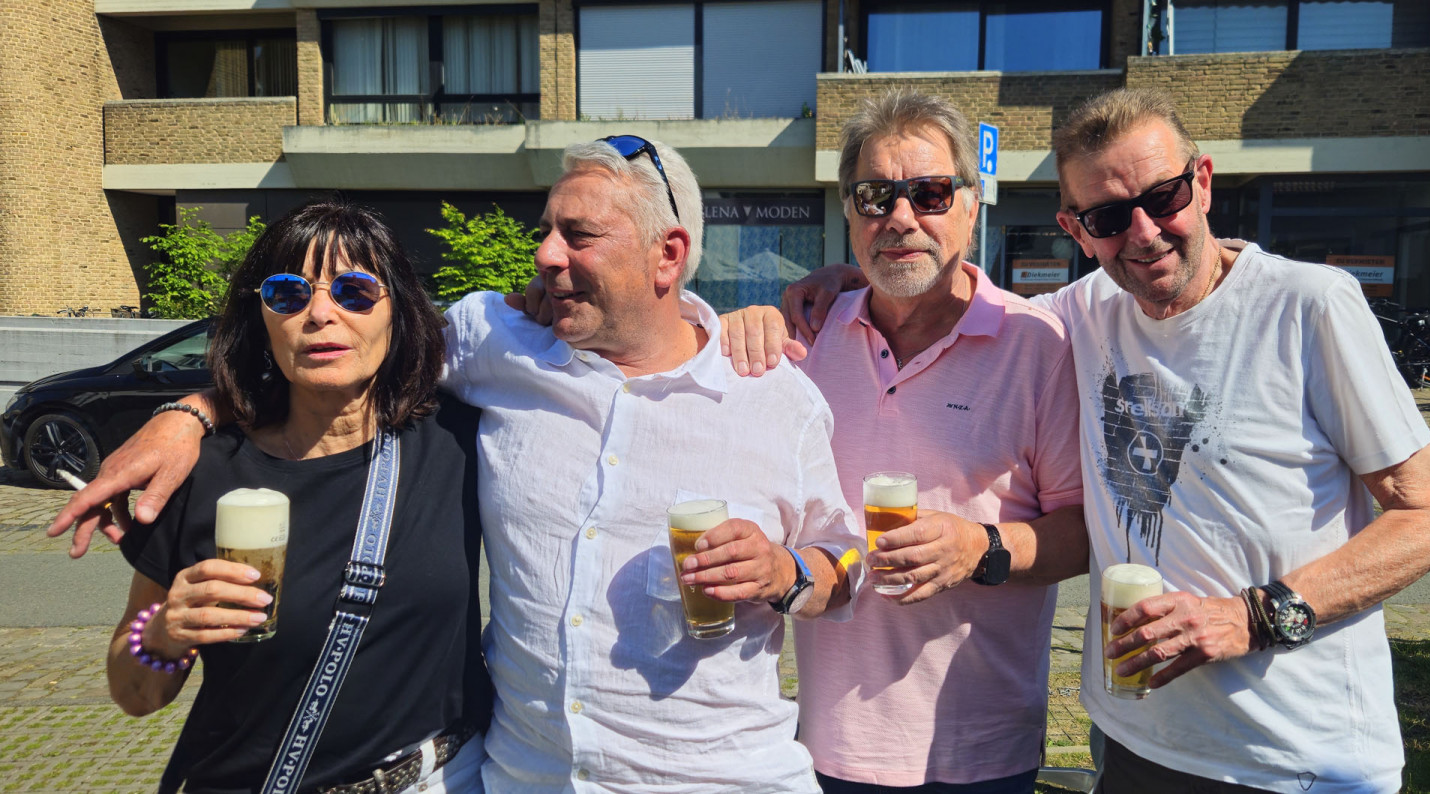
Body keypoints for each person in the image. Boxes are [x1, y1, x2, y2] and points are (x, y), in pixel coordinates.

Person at [55, 137, 864, 791]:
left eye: (577, 235)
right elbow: (136, 685)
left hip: (702, 778)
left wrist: (787, 571)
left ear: (668, 255)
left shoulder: (769, 394)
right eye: (288, 296)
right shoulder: (488, 351)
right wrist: (189, 415)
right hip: (523, 778)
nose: (545, 255)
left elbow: (848, 562)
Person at [748, 87, 1430, 793]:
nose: (1144, 233)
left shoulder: (1307, 306)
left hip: (1297, 756)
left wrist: (1253, 616)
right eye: (1108, 216)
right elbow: (932, 286)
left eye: (1164, 197)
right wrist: (837, 285)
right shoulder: (1080, 314)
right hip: (1132, 738)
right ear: (1076, 230)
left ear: (1203, 181)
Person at [724, 90, 1087, 793]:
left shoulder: (1038, 345)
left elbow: (1081, 533)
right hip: (828, 742)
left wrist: (980, 548)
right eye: (874, 196)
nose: (900, 217)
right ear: (849, 213)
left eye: (929, 193)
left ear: (971, 206)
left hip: (982, 749)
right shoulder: (803, 339)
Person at [104, 200, 489, 792]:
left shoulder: (458, 441)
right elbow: (135, 695)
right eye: (287, 294)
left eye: (355, 292)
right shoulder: (203, 471)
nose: (321, 314)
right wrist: (164, 634)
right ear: (260, 318)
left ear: (397, 312)